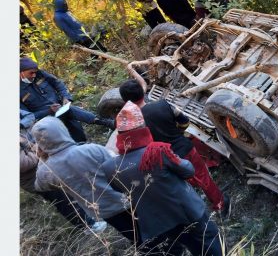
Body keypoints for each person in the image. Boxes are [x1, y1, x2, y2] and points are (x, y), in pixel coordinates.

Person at [101, 102, 224, 255]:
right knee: (209, 241)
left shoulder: (109, 167)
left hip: (158, 223)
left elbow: (123, 191)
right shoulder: (157, 150)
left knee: (190, 244)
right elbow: (188, 170)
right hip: (187, 211)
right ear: (142, 128)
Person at [118, 79, 230, 216]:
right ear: (142, 91)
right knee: (203, 177)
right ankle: (220, 204)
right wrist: (178, 133)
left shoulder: (133, 124)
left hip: (163, 159)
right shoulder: (163, 105)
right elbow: (185, 122)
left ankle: (196, 213)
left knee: (181, 185)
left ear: (125, 101)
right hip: (184, 148)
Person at [32, 116, 139, 244]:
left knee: (133, 235)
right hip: (125, 199)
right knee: (147, 226)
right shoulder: (91, 149)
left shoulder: (46, 170)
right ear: (63, 130)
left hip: (102, 210)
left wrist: (42, 159)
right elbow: (119, 166)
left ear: (40, 144)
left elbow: (39, 186)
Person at [20, 111, 107, 234]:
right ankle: (87, 225)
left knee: (71, 191)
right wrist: (38, 150)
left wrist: (34, 147)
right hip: (34, 178)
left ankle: (92, 213)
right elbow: (22, 163)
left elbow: (30, 116)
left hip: (48, 165)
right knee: (63, 200)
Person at [19, 57, 114, 142]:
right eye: (31, 73)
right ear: (21, 72)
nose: (34, 75)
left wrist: (66, 97)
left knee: (79, 134)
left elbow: (58, 84)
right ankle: (104, 122)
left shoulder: (40, 74)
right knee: (69, 129)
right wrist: (48, 111)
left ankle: (102, 123)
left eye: (35, 72)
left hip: (61, 108)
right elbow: (28, 117)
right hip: (46, 120)